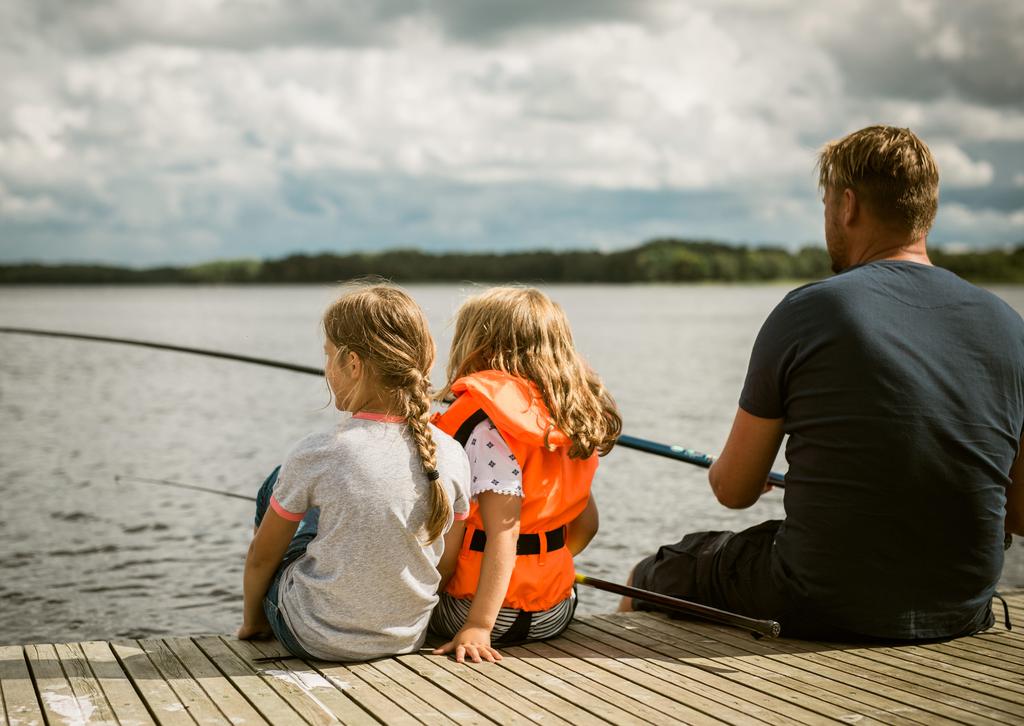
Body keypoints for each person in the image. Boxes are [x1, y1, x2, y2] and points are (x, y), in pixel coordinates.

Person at [622, 125, 1024, 641]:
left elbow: (733, 490)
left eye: (828, 203)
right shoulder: (1008, 324)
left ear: (849, 206)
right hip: (961, 607)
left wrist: (747, 468)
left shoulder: (810, 310)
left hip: (820, 598)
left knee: (651, 574)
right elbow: (1017, 512)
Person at [237, 284, 471, 661]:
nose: (325, 368)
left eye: (328, 355)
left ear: (353, 364)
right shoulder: (453, 453)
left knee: (276, 485)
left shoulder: (319, 451)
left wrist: (253, 621)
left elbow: (260, 560)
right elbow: (444, 563)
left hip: (313, 635)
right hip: (405, 638)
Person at [428, 287, 621, 662]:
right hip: (556, 611)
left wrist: (479, 626)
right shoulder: (566, 416)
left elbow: (504, 534)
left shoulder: (487, 424)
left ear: (479, 348)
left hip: (482, 616)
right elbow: (588, 525)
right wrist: (543, 567)